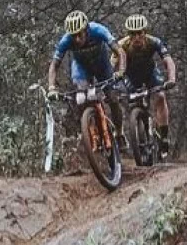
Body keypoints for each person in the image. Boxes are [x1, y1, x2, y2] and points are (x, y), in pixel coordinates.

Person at [46, 10, 128, 145]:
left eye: (79, 34)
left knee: (113, 98)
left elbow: (120, 51)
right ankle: (90, 127)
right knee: (81, 97)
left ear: (86, 29)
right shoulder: (66, 40)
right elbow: (54, 65)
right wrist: (51, 87)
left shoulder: (98, 30)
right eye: (73, 36)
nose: (77, 39)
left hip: (102, 65)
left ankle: (119, 133)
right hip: (81, 68)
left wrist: (121, 71)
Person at [117, 14, 177, 155]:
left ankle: (164, 135)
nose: (137, 37)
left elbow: (168, 61)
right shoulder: (121, 45)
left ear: (145, 32)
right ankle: (134, 130)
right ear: (128, 34)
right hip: (131, 76)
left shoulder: (153, 42)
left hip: (150, 74)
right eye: (133, 34)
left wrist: (171, 78)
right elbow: (111, 65)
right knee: (124, 100)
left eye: (139, 33)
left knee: (160, 96)